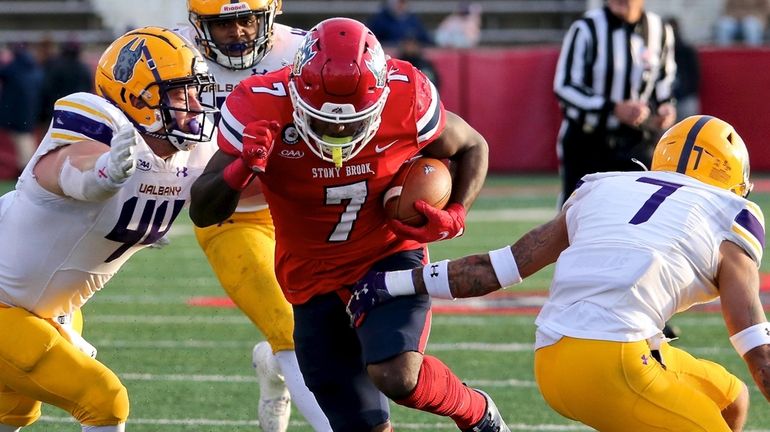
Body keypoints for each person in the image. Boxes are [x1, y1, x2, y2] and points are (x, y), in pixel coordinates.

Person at [348, 115, 770, 431]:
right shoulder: (731, 212)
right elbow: (750, 334)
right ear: (733, 181)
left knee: (730, 398)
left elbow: (501, 266)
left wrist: (392, 282)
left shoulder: (603, 186)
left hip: (552, 361)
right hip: (615, 364)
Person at [190, 17, 507, 432]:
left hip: (386, 255)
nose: (338, 131)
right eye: (323, 120)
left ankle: (476, 412)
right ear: (296, 93)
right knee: (359, 424)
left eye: (353, 120)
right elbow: (202, 209)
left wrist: (458, 214)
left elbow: (471, 144)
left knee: (397, 374)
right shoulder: (260, 103)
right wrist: (241, 170)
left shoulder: (406, 92)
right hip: (308, 275)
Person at [0, 27, 219, 432]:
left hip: (52, 310)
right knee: (104, 400)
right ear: (138, 99)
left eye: (194, 91)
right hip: (8, 307)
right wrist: (104, 173)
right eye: (178, 93)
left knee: (14, 412)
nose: (193, 105)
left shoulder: (192, 154)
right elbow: (70, 169)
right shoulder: (98, 129)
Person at [178, 1, 331, 430]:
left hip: (307, 209)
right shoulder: (173, 53)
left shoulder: (306, 51)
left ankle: (272, 364)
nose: (238, 32)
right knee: (289, 328)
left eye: (247, 18)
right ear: (198, 22)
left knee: (341, 332)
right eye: (223, 23)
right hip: (231, 216)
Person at [553, 0, 677, 207]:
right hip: (588, 139)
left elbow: (664, 80)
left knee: (633, 214)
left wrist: (665, 106)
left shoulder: (659, 30)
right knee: (574, 217)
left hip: (635, 141)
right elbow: (564, 86)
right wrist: (612, 108)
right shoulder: (585, 28)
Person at [0, 44, 44, 174]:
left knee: (24, 142)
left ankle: (26, 170)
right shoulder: (35, 70)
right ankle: (27, 169)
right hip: (29, 112)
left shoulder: (13, 69)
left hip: (16, 114)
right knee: (26, 141)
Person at [38, 41, 94, 130]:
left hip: (56, 113)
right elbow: (88, 91)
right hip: (78, 114)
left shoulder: (54, 66)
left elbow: (46, 90)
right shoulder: (84, 69)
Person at [666, 17, 701, 121]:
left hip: (685, 97)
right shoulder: (660, 50)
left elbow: (695, 76)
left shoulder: (687, 51)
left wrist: (684, 92)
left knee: (689, 123)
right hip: (666, 99)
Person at [367, 0, 432, 47]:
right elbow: (370, 40)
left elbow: (426, 40)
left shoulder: (413, 20)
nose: (400, 5)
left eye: (403, 2)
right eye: (399, 2)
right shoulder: (379, 20)